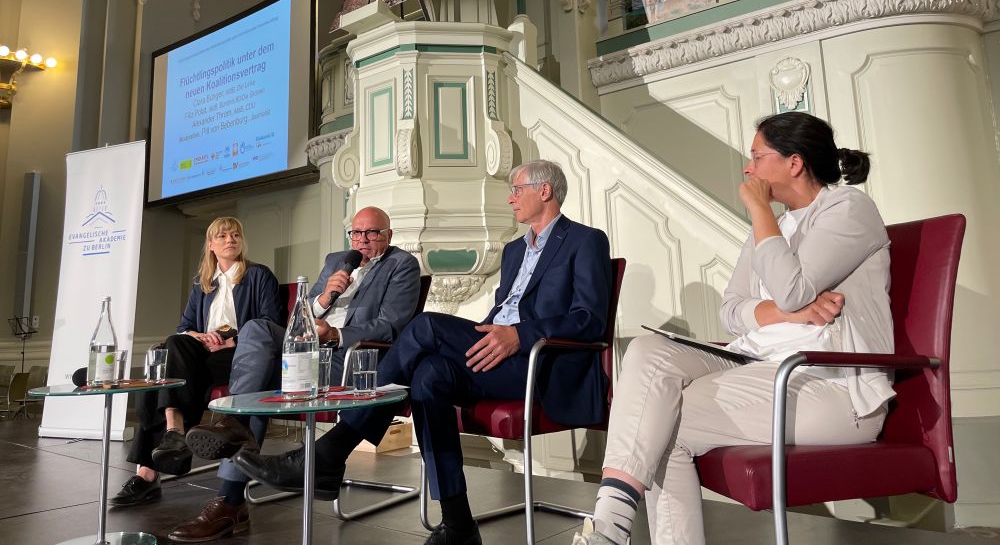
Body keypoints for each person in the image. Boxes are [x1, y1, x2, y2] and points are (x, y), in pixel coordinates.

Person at [232, 160, 613, 545]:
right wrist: (497, 333)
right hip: (496, 351)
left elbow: (590, 319)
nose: (510, 198)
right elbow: (502, 311)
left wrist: (519, 335)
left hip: (539, 363)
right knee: (429, 375)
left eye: (517, 190)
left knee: (426, 324)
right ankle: (458, 523)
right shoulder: (515, 250)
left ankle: (330, 451)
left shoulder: (585, 240)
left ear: (544, 191)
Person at [573, 111, 895, 545]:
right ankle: (611, 524)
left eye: (757, 157)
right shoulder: (772, 227)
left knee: (660, 420)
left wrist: (761, 212)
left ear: (794, 163)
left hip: (830, 387)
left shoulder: (848, 208)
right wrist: (787, 314)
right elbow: (731, 310)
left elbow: (793, 289)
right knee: (648, 350)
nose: (748, 168)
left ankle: (607, 531)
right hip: (757, 364)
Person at [165, 205, 421, 543]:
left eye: (372, 233)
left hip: (345, 357)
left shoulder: (401, 264)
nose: (362, 240)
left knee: (256, 385)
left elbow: (391, 325)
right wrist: (325, 298)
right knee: (256, 328)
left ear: (388, 235)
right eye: (356, 233)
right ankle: (234, 432)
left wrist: (335, 333)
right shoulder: (336, 260)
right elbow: (304, 311)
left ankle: (228, 500)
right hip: (307, 348)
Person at [111, 217, 283, 507]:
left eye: (235, 235)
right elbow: (184, 327)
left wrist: (230, 341)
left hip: (240, 352)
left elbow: (271, 322)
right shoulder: (203, 284)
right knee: (173, 345)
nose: (230, 240)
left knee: (171, 377)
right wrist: (200, 337)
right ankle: (174, 431)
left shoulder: (258, 275)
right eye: (223, 236)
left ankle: (149, 471)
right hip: (204, 350)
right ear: (211, 244)